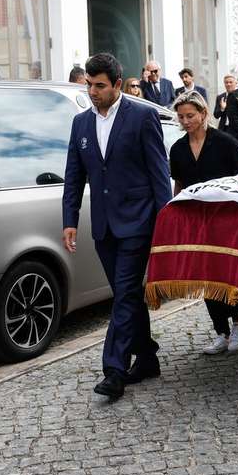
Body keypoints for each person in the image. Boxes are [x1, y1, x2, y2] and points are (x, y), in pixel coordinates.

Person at [62, 53, 172, 399]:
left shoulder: (143, 115)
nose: (92, 92)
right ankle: (148, 357)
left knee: (124, 293)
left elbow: (159, 174)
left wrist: (164, 224)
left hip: (138, 221)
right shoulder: (81, 123)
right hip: (103, 225)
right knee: (128, 296)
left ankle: (114, 369)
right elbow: (74, 175)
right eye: (89, 85)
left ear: (118, 85)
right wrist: (69, 220)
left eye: (99, 86)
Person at [169, 91, 238, 354]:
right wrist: (177, 213)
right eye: (181, 117)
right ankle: (221, 331)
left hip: (226, 219)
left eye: (191, 116)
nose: (186, 121)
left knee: (226, 273)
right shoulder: (178, 149)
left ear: (204, 114)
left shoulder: (225, 142)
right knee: (205, 275)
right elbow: (180, 185)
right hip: (196, 220)